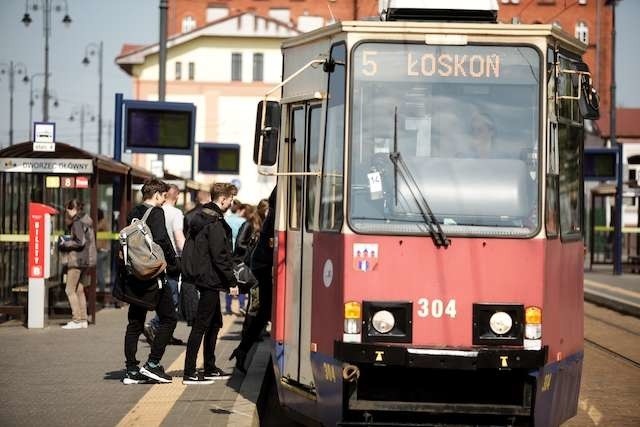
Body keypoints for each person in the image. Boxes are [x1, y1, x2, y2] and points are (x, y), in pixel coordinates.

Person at [120, 178, 179, 385]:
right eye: (163, 196)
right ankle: (152, 365)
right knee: (169, 318)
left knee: (134, 322)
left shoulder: (134, 212)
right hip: (153, 276)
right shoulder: (156, 212)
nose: (164, 200)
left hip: (135, 275)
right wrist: (174, 265)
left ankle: (131, 370)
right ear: (156, 195)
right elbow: (162, 240)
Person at [182, 183, 238, 384]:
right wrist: (232, 280)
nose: (232, 203)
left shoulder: (202, 216)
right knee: (201, 325)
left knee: (214, 323)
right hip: (210, 279)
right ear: (222, 199)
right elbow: (219, 255)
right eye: (231, 199)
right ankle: (189, 372)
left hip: (206, 277)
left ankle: (210, 366)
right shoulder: (213, 221)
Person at [230, 186, 276, 373]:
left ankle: (242, 350)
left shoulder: (271, 217)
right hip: (262, 270)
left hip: (262, 268)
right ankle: (242, 350)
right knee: (260, 311)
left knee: (262, 313)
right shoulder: (269, 219)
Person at [144, 183, 186, 345]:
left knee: (163, 295)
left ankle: (165, 333)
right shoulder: (175, 213)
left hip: (155, 259)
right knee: (172, 297)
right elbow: (178, 237)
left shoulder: (153, 211)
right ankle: (154, 325)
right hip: (172, 259)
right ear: (176, 196)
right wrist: (186, 255)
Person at [58, 199, 97, 329]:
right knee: (79, 290)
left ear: (71, 209)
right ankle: (83, 320)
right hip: (85, 260)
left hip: (76, 260)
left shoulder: (77, 222)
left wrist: (65, 243)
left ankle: (76, 319)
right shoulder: (86, 220)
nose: (67, 213)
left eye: (67, 210)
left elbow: (80, 241)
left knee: (69, 290)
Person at [224, 200, 247, 314]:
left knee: (229, 279)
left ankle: (228, 307)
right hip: (239, 254)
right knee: (241, 279)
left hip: (227, 252)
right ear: (239, 210)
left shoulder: (226, 220)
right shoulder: (243, 221)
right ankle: (241, 305)